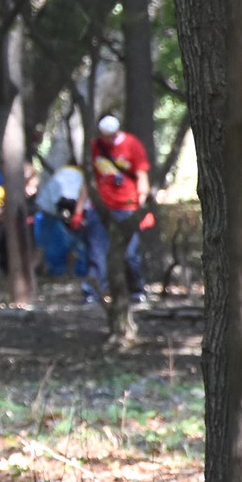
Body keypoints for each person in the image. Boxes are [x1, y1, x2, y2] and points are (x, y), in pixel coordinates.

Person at [84, 113, 151, 341]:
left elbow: (141, 175)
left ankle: (137, 290)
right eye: (105, 136)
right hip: (101, 207)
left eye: (111, 135)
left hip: (128, 206)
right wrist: (80, 208)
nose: (109, 139)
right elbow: (89, 178)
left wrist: (142, 206)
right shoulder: (94, 147)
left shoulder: (132, 144)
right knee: (97, 250)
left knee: (130, 253)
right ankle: (93, 292)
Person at [33, 161, 86, 277]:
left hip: (52, 208)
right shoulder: (72, 176)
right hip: (52, 210)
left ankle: (67, 271)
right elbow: (65, 200)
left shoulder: (67, 174)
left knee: (46, 244)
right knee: (47, 243)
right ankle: (40, 269)